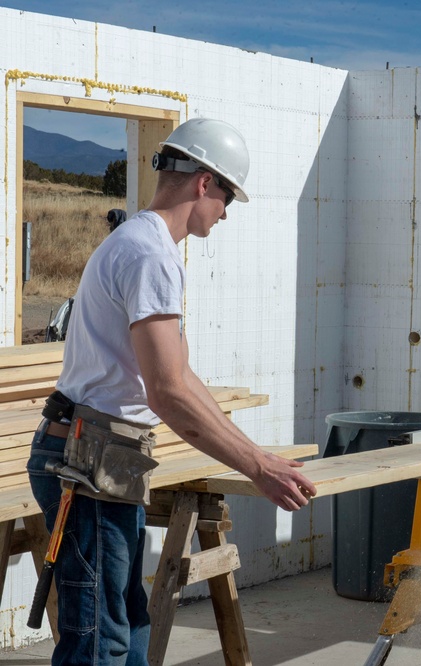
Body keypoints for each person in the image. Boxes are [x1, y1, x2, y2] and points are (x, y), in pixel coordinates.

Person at [26, 118, 317, 665]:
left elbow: (181, 378)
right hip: (87, 466)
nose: (226, 212)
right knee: (98, 639)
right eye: (227, 196)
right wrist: (257, 467)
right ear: (204, 183)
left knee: (128, 627)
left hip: (106, 460)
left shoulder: (142, 244)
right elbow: (166, 394)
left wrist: (257, 455)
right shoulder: (150, 254)